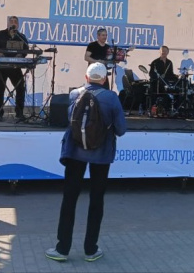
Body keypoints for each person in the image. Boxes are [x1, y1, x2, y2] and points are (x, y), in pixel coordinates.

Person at [45, 62, 127, 263]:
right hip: (101, 155)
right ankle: (91, 249)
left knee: (69, 199)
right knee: (96, 200)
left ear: (86, 77)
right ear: (105, 79)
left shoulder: (75, 94)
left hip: (75, 153)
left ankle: (62, 249)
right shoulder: (112, 98)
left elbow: (70, 120)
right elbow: (121, 129)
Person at [0, 15, 28, 123]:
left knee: (20, 88)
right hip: (0, 67)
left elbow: (26, 50)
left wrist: (21, 55)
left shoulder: (21, 36)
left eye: (15, 22)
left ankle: (19, 113)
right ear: (8, 24)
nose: (13, 23)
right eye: (11, 21)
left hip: (15, 67)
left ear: (18, 25)